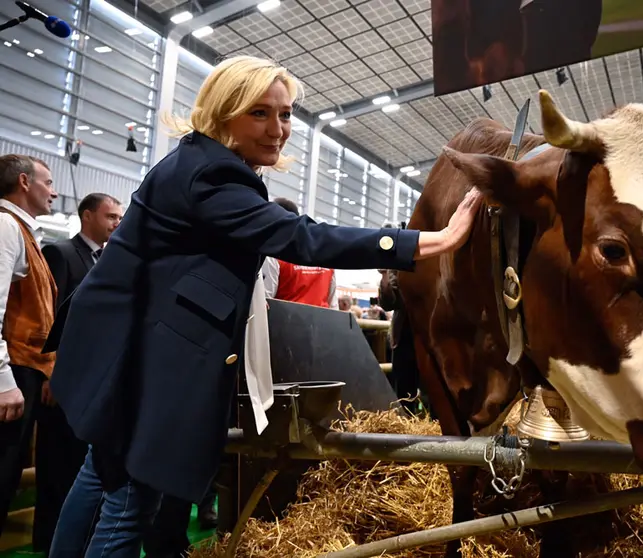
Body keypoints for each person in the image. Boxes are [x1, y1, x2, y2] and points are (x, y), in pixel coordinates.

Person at [43, 54, 483, 557]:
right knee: (128, 507)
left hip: (128, 355)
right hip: (146, 365)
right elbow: (299, 237)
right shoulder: (212, 175)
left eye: (287, 113)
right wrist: (429, 240)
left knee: (98, 478)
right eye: (260, 113)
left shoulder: (198, 162)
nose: (279, 129)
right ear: (223, 112)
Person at [36, 193, 123, 553]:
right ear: (87, 216)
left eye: (120, 218)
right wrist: (51, 372)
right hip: (61, 376)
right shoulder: (61, 253)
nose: (116, 223)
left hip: (91, 380)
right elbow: (52, 318)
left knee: (78, 464)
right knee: (57, 464)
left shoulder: (105, 259)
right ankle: (46, 539)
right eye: (111, 217)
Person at [0, 155, 58, 536]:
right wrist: (4, 379)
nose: (53, 191)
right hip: (14, 370)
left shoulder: (21, 229)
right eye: (47, 182)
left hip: (26, 368)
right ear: (24, 182)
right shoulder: (6, 225)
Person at [261, 197, 338, 309]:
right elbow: (334, 306)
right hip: (322, 323)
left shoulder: (275, 254)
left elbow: (265, 300)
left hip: (286, 322)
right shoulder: (324, 256)